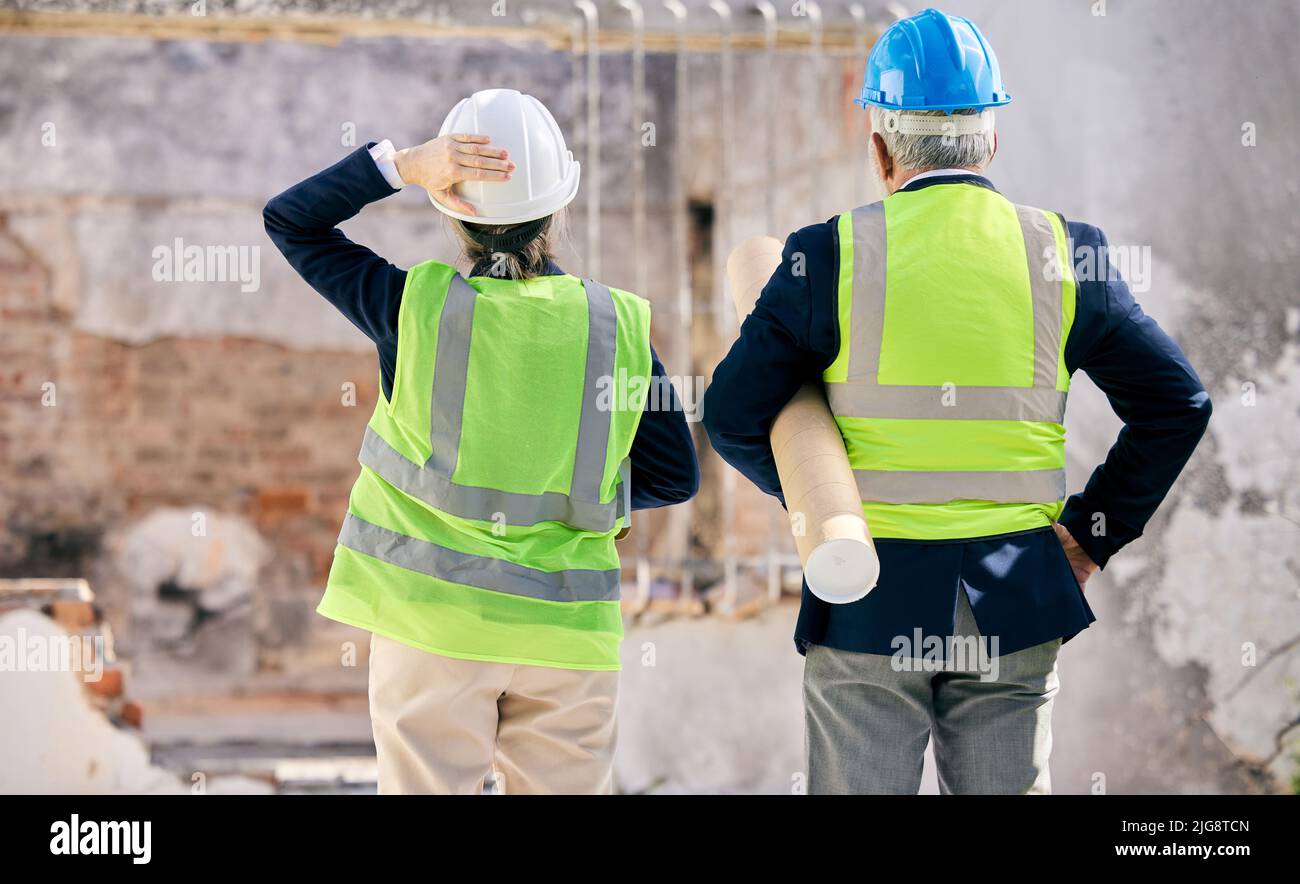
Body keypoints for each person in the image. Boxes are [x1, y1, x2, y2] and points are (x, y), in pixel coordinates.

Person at [702, 8, 1211, 794]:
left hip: (867, 594)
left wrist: (819, 496)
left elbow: (734, 414)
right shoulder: (1066, 253)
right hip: (1016, 590)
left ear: (880, 150)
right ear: (992, 140)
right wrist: (1087, 536)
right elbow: (1179, 404)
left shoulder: (828, 256)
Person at [264, 88, 699, 794]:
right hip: (567, 632)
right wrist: (583, 497)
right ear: (558, 208)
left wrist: (402, 165)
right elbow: (675, 476)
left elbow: (291, 220)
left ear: (453, 209)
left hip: (431, 626)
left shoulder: (413, 309)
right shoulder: (616, 327)